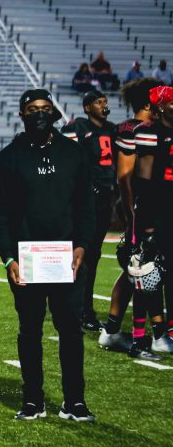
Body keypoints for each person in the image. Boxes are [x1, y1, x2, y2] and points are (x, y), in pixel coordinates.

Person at [0, 89, 96, 422]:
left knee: (71, 330)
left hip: (67, 259)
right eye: (33, 109)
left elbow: (87, 207)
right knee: (30, 330)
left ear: (54, 113)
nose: (40, 114)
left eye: (46, 108)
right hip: (27, 261)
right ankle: (33, 399)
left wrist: (82, 246)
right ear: (22, 114)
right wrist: (8, 258)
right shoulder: (8, 158)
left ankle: (74, 400)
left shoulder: (74, 154)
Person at [99, 78, 164, 355]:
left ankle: (115, 329)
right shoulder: (132, 129)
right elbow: (125, 178)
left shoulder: (155, 129)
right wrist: (132, 216)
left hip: (152, 207)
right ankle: (132, 332)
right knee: (140, 269)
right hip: (140, 207)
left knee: (138, 271)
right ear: (149, 103)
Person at [61, 90, 117, 330]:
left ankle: (85, 308)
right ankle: (77, 307)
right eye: (98, 102)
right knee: (79, 253)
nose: (103, 105)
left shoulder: (112, 130)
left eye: (105, 101)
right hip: (83, 200)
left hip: (104, 198)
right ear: (87, 107)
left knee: (93, 255)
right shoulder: (77, 127)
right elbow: (66, 161)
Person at [127, 85, 173, 358]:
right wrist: (145, 221)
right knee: (147, 274)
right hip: (155, 211)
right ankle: (145, 338)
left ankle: (166, 331)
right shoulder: (148, 131)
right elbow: (143, 179)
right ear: (160, 107)